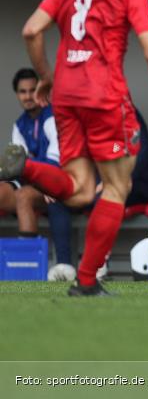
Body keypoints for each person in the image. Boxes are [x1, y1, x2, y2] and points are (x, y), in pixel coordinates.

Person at [0, 0, 148, 296]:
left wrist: (46, 76)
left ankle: (25, 166)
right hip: (104, 96)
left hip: (66, 94)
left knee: (79, 189)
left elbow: (31, 30)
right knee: (116, 187)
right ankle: (85, 283)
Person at [0, 68, 72, 269]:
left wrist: (40, 180)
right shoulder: (19, 125)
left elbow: (56, 162)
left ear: (41, 91)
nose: (28, 96)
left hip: (60, 186)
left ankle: (26, 265)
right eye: (22, 92)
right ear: (17, 94)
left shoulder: (52, 116)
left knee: (23, 196)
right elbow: (17, 167)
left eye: (32, 90)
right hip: (35, 185)